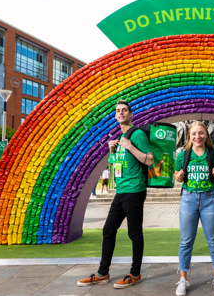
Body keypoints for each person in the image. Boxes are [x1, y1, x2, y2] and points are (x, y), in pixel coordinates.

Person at [77, 100, 154, 289]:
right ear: (115, 116)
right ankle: (103, 273)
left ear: (131, 114)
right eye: (118, 111)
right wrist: (112, 150)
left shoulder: (136, 135)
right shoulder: (119, 138)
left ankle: (135, 274)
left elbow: (150, 160)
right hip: (121, 191)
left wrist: (130, 146)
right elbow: (116, 166)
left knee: (134, 233)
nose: (121, 113)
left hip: (135, 190)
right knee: (108, 230)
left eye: (124, 110)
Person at [174, 121, 214, 296]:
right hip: (188, 200)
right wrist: (179, 176)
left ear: (206, 135)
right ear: (189, 136)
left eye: (201, 133)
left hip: (210, 200)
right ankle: (183, 279)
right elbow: (176, 176)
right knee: (185, 241)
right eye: (194, 134)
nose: (197, 136)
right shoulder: (183, 155)